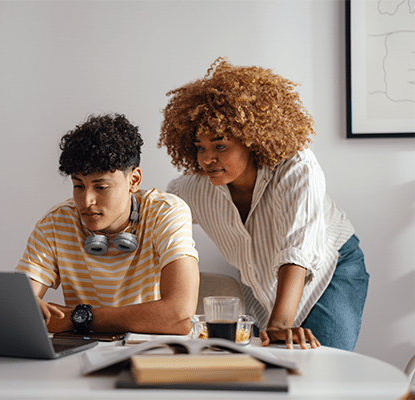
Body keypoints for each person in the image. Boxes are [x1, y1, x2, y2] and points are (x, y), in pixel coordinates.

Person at [158, 58, 369, 351]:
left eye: (220, 146)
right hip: (264, 286)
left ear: (251, 140)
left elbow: (298, 250)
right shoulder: (192, 188)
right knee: (271, 375)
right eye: (200, 148)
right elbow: (158, 217)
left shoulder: (297, 168)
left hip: (331, 270)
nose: (207, 159)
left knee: (323, 367)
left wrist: (280, 324)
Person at [16, 113, 200, 335]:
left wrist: (76, 318)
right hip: (81, 353)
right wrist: (25, 307)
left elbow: (179, 316)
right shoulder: (55, 224)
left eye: (101, 187)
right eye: (78, 186)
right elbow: (18, 305)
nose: (86, 201)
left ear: (133, 181)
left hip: (148, 352)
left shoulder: (166, 212)